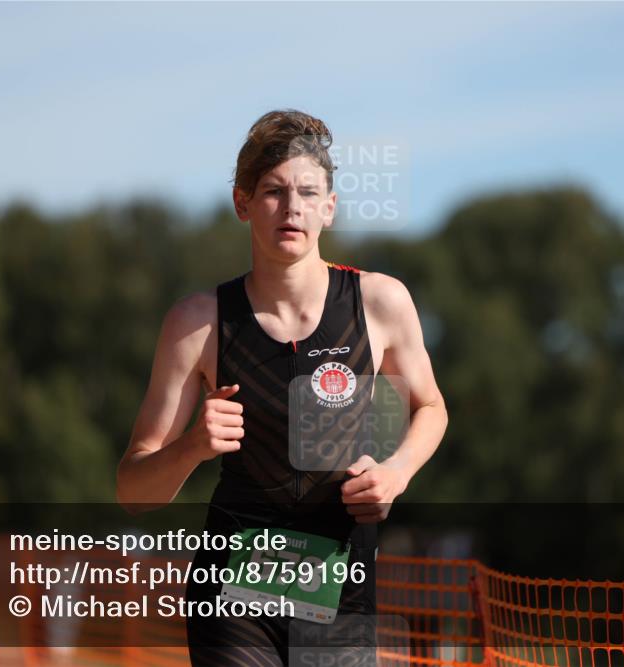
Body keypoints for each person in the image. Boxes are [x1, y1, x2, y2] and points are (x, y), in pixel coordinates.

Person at [116, 109, 448, 665]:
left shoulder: (380, 302)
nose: (291, 207)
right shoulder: (197, 324)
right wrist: (193, 446)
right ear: (242, 203)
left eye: (307, 192)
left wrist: (397, 472)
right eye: (272, 191)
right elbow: (132, 493)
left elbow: (431, 407)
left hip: (341, 585)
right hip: (233, 592)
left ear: (329, 208)